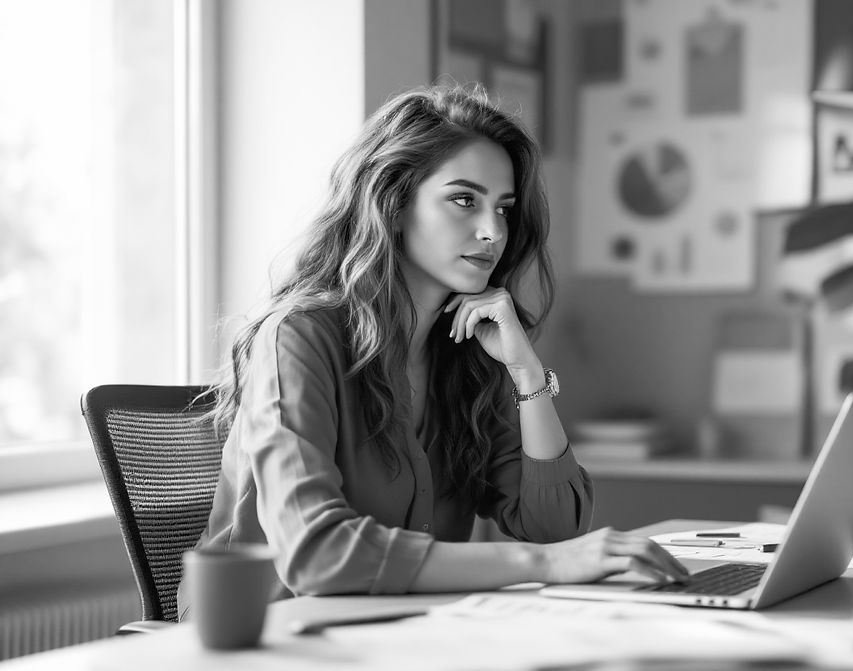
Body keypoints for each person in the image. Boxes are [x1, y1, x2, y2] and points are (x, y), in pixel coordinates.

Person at [176, 84, 687, 619]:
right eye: (464, 199)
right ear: (393, 205)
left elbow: (554, 526)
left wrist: (525, 369)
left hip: (408, 635)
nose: (492, 232)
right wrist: (542, 565)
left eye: (504, 209)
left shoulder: (468, 353)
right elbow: (315, 554)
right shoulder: (299, 337)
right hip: (273, 643)